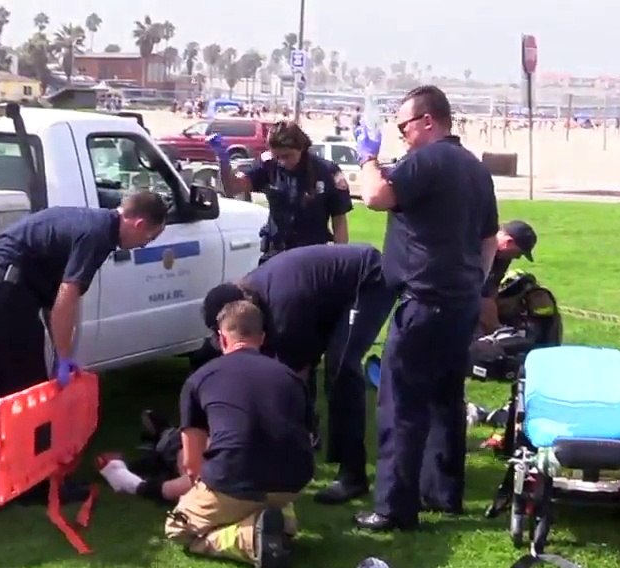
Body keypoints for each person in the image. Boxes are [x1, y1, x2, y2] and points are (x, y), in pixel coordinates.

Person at [351, 85, 499, 531]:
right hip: (459, 303)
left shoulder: (426, 160)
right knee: (445, 400)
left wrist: (367, 158)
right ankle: (443, 492)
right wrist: (475, 284)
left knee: (401, 403)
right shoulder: (475, 168)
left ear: (428, 121)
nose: (402, 137)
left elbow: (376, 196)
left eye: (404, 127)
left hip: (424, 300)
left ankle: (393, 507)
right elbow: (488, 239)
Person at [200, 244, 396, 504]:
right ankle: (309, 440)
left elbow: (293, 377)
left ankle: (353, 475)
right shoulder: (255, 301)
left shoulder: (282, 310)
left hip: (370, 278)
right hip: (327, 293)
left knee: (341, 369)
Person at [163, 300, 314, 568]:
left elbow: (192, 465)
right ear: (262, 337)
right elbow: (303, 437)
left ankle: (247, 538)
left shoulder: (199, 379)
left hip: (233, 479)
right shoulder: (291, 378)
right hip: (293, 481)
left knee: (178, 530)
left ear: (221, 338)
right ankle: (279, 517)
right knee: (259, 487)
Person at [0, 191, 167, 398]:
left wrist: (60, 352)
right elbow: (67, 298)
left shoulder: (93, 223)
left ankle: (31, 429)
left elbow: (54, 300)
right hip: (5, 289)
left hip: (8, 288)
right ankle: (24, 431)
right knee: (22, 392)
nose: (145, 244)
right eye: (150, 237)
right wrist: (63, 357)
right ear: (139, 224)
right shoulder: (97, 235)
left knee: (27, 385)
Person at [207, 121, 352, 263]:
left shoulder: (327, 172)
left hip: (311, 258)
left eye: (287, 156)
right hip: (275, 255)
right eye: (277, 156)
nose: (281, 162)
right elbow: (233, 189)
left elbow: (339, 220)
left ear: (301, 147)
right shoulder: (268, 165)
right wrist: (223, 162)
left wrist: (339, 260)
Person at [478, 220, 538, 334]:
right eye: (519, 253)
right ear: (508, 242)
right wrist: (497, 331)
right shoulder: (480, 247)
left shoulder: (504, 258)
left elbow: (492, 289)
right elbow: (482, 297)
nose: (518, 257)